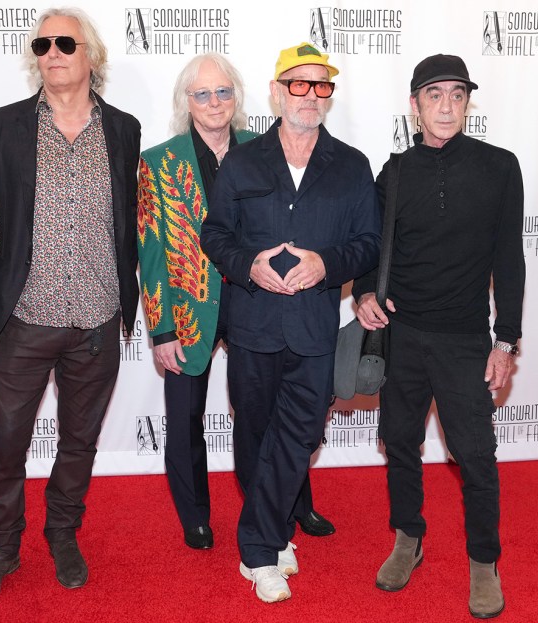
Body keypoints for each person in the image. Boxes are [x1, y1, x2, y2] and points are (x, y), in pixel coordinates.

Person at [0, 7, 141, 607]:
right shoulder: (4, 126)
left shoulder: (125, 129)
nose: (51, 52)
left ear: (90, 56)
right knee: (5, 441)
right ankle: (2, 548)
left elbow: (133, 225)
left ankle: (63, 533)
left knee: (79, 441)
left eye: (64, 43)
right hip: (24, 316)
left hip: (100, 317)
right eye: (42, 44)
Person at [201, 43, 380, 603]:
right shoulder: (243, 161)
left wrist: (327, 265)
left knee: (300, 435)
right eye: (298, 85)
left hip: (313, 331)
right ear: (278, 92)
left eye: (321, 86)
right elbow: (215, 236)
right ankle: (274, 537)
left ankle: (257, 550)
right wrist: (249, 267)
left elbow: (368, 245)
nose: (310, 96)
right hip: (253, 327)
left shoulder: (351, 166)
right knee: (255, 438)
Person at [136, 53, 335, 552]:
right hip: (187, 310)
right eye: (202, 93)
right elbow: (151, 248)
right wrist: (161, 329)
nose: (214, 102)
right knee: (185, 418)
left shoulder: (266, 149)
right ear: (187, 101)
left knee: (273, 411)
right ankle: (196, 516)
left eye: (223, 92)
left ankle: (294, 503)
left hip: (260, 303)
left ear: (239, 97)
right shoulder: (159, 162)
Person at [354, 54, 525, 619]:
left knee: (475, 454)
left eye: (457, 94)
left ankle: (484, 561)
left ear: (468, 101)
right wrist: (362, 292)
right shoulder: (395, 172)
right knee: (400, 441)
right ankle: (408, 537)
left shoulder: (501, 167)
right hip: (402, 334)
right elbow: (372, 246)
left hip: (465, 340)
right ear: (415, 104)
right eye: (434, 94)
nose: (446, 104)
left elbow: (510, 259)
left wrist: (507, 341)